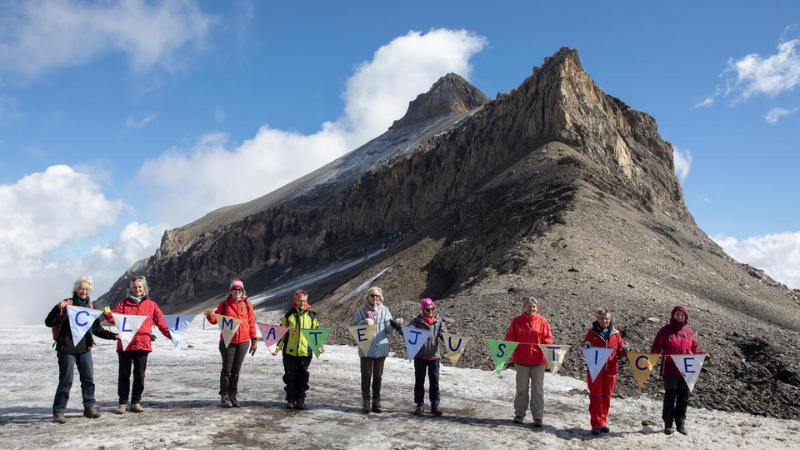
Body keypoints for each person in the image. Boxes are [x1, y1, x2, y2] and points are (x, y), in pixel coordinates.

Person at [45, 276, 119, 423]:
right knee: (66, 381)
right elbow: (49, 322)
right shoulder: (66, 305)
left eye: (86, 289)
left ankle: (89, 407)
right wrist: (57, 308)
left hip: (85, 348)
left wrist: (113, 336)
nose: (83, 291)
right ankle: (58, 411)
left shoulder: (90, 307)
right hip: (67, 349)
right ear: (76, 289)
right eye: (81, 288)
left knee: (88, 380)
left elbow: (96, 328)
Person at [103, 276, 172, 414]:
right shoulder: (123, 304)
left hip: (142, 344)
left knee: (139, 374)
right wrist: (108, 314)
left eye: (140, 287)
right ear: (131, 289)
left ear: (144, 289)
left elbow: (161, 323)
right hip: (125, 345)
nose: (137, 289)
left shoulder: (152, 305)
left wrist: (171, 335)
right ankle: (122, 403)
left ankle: (136, 401)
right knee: (124, 374)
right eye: (135, 287)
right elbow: (114, 318)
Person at [651, 305, 710, 435]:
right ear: (673, 315)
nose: (679, 317)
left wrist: (703, 355)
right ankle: (668, 422)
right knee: (670, 396)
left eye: (682, 315)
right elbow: (656, 348)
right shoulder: (665, 330)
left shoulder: (689, 332)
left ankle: (680, 422)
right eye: (677, 314)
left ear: (685, 317)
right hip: (670, 369)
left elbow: (693, 351)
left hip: (686, 370)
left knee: (683, 397)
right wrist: (650, 359)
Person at [204, 278, 257, 408]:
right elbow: (215, 320)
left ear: (242, 291)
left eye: (239, 289)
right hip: (227, 341)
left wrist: (254, 339)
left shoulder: (247, 305)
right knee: (227, 370)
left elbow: (251, 322)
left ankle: (233, 394)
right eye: (234, 289)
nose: (237, 291)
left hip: (243, 342)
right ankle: (224, 395)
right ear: (231, 291)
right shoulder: (224, 304)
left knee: (236, 370)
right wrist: (209, 315)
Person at [352, 287, 403, 413]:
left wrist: (396, 325)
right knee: (366, 375)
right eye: (372, 295)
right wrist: (364, 322)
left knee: (378, 376)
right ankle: (365, 401)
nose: (375, 298)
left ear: (380, 298)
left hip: (381, 348)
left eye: (377, 296)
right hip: (366, 348)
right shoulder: (361, 312)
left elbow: (388, 331)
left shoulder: (385, 311)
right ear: (368, 296)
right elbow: (354, 328)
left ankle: (376, 401)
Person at [504, 297, 553, 427]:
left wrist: (547, 349)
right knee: (521, 389)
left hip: (538, 360)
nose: (531, 309)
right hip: (521, 360)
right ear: (524, 307)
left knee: (537, 390)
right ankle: (519, 414)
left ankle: (538, 416)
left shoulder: (542, 321)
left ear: (537, 308)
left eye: (534, 307)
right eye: (529, 306)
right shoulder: (516, 321)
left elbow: (548, 339)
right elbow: (510, 337)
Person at [272, 289, 322, 410]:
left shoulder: (311, 317)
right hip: (290, 351)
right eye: (299, 300)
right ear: (295, 300)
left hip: (305, 352)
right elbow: (281, 333)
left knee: (303, 377)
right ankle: (290, 399)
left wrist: (319, 347)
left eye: (304, 301)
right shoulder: (289, 316)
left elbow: (316, 333)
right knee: (290, 376)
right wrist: (277, 348)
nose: (302, 303)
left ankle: (300, 400)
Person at [581, 309, 629, 435]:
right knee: (596, 396)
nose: (604, 321)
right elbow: (583, 350)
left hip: (611, 370)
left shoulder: (615, 334)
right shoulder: (592, 333)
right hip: (595, 369)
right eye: (602, 318)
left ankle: (603, 422)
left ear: (610, 319)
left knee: (606, 397)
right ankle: (595, 423)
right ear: (597, 319)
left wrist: (625, 351)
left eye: (607, 318)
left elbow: (620, 351)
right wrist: (585, 347)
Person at [408, 298, 448, 416]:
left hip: (434, 356)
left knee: (434, 381)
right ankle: (419, 404)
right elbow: (408, 332)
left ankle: (435, 405)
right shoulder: (416, 321)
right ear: (423, 310)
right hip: (420, 356)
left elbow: (444, 335)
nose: (430, 311)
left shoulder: (439, 321)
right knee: (419, 380)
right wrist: (400, 328)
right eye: (427, 309)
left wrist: (451, 340)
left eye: (432, 309)